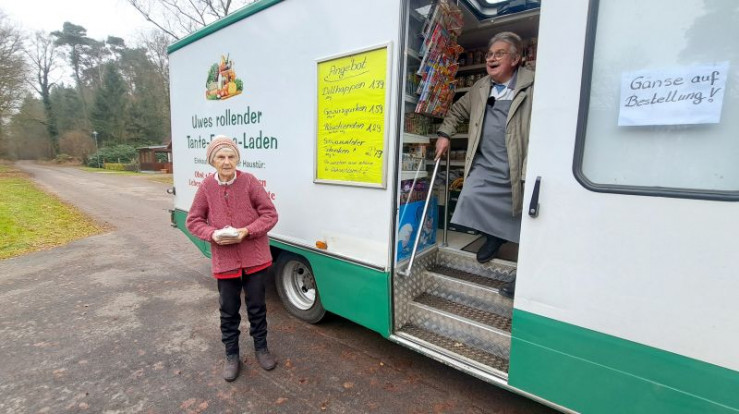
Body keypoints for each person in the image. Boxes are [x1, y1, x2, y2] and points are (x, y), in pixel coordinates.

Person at [435, 32, 534, 298]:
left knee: (527, 223)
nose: (491, 58)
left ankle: (525, 274)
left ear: (515, 59)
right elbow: (457, 111)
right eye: (489, 54)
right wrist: (444, 134)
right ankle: (494, 236)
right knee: (469, 197)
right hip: (485, 164)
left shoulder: (533, 85)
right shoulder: (480, 87)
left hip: (517, 166)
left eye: (499, 54)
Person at [186, 135, 279, 382]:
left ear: (237, 159)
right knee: (228, 310)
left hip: (255, 258)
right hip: (225, 260)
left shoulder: (249, 181)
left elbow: (270, 214)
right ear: (212, 161)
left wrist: (247, 231)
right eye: (221, 157)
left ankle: (261, 348)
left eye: (231, 156)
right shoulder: (206, 187)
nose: (227, 162)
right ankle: (231, 355)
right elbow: (193, 221)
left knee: (257, 307)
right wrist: (213, 234)